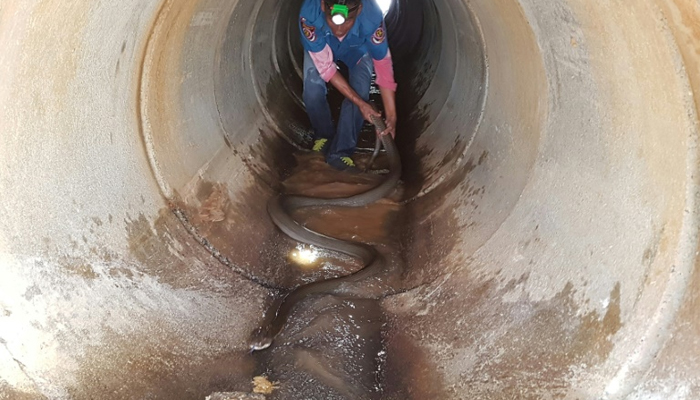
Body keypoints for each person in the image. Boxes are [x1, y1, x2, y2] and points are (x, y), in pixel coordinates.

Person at [299, 0, 397, 171]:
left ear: (359, 9)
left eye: (348, 23)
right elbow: (326, 68)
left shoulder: (371, 16)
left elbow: (382, 63)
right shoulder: (310, 14)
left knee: (360, 90)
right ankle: (323, 134)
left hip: (357, 50)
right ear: (323, 5)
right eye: (332, 21)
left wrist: (391, 115)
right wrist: (361, 104)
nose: (339, 30)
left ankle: (341, 152)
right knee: (312, 89)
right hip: (322, 46)